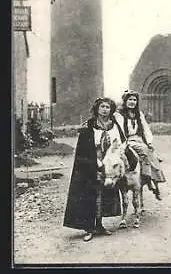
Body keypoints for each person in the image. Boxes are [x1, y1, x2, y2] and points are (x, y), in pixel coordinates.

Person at [63, 97, 128, 242]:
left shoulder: (114, 125)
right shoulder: (89, 125)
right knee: (91, 195)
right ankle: (89, 228)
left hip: (108, 166)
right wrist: (95, 162)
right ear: (97, 109)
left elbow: (121, 142)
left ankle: (99, 225)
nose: (105, 109)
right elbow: (83, 148)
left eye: (108, 107)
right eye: (102, 107)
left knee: (103, 195)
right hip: (91, 166)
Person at [114, 90, 166, 201]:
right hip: (126, 140)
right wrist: (124, 143)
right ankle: (143, 177)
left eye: (134, 100)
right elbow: (120, 130)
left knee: (152, 154)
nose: (132, 102)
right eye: (130, 100)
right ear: (125, 101)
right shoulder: (119, 115)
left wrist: (149, 142)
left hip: (139, 139)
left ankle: (154, 183)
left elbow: (145, 128)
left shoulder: (139, 114)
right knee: (142, 151)